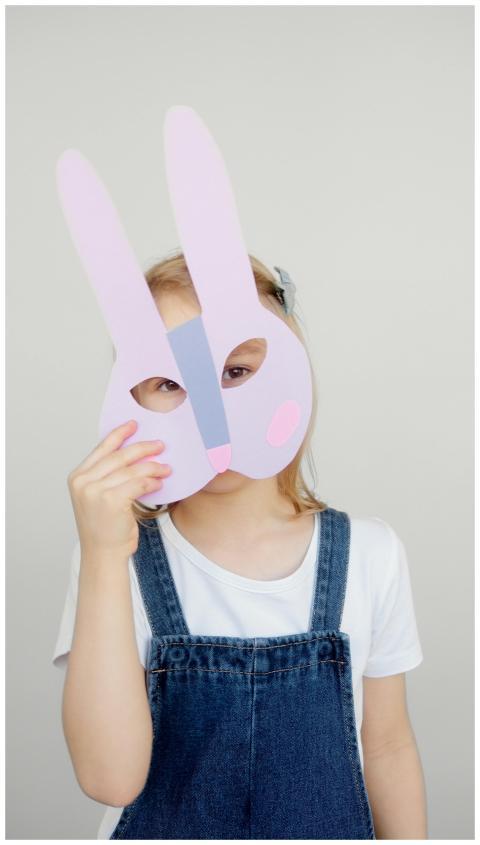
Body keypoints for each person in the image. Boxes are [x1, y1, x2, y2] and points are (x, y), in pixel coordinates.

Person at [52, 250, 427, 839]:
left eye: (236, 372)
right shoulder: (113, 559)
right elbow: (109, 779)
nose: (212, 414)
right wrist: (101, 555)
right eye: (170, 383)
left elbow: (386, 746)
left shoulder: (370, 555)